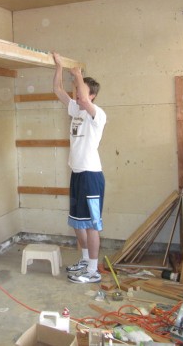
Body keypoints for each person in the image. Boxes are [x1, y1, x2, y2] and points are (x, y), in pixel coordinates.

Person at [52, 52, 107, 284]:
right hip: (77, 174)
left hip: (91, 176)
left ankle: (93, 270)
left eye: (80, 88)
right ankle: (85, 260)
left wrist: (77, 74)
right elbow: (57, 91)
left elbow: (83, 100)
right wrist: (59, 67)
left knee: (92, 225)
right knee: (77, 221)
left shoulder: (98, 114)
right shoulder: (76, 109)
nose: (76, 92)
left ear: (91, 94)